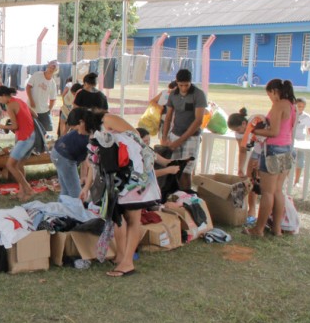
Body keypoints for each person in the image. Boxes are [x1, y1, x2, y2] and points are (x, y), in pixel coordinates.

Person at [80, 113, 160, 277]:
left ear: (82, 121)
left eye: (76, 127)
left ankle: (127, 262)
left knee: (133, 219)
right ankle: (122, 257)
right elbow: (94, 164)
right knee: (119, 217)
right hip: (121, 178)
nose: (77, 131)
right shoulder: (96, 133)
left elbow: (135, 135)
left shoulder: (107, 119)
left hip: (134, 175)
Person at [245, 79, 296, 237]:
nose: (270, 99)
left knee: (267, 192)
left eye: (269, 95)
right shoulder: (292, 105)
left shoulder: (278, 105)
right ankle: (276, 229)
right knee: (278, 191)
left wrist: (254, 131)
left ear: (274, 91)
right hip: (287, 149)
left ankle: (258, 229)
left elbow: (274, 132)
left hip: (273, 150)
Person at [160, 69, 206, 190]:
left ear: (191, 82)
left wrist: (179, 141)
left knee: (186, 171)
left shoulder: (199, 94)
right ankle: (174, 196)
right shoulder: (173, 94)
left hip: (192, 137)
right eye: (181, 85)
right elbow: (168, 117)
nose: (184, 88)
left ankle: (187, 197)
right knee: (173, 169)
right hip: (174, 134)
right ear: (177, 82)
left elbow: (198, 121)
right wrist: (164, 138)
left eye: (186, 85)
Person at [0, 86, 37, 201]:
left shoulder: (10, 105)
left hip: (24, 137)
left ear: (4, 95)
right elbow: (35, 115)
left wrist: (2, 126)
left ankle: (28, 190)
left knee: (10, 165)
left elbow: (15, 126)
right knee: (19, 165)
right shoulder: (19, 100)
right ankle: (22, 192)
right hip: (31, 135)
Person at [50, 108, 100, 198]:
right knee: (75, 193)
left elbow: (87, 159)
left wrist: (84, 176)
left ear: (81, 122)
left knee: (66, 190)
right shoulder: (89, 130)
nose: (79, 132)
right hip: (63, 155)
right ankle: (73, 206)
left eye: (76, 129)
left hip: (57, 152)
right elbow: (89, 161)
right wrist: (84, 178)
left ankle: (63, 206)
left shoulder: (94, 134)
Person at [227, 109, 262, 224]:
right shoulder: (239, 133)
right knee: (251, 180)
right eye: (234, 131)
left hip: (264, 151)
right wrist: (240, 168)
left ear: (244, 123)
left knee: (258, 182)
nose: (237, 132)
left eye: (238, 129)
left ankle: (258, 212)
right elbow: (242, 151)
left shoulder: (256, 126)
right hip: (256, 152)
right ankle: (251, 210)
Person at [25, 60, 59, 132]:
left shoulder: (53, 83)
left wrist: (49, 109)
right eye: (51, 66)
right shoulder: (37, 75)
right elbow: (28, 87)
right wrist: (31, 100)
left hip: (43, 110)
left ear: (56, 71)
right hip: (31, 108)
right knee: (29, 129)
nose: (51, 69)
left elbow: (53, 99)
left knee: (46, 129)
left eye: (54, 68)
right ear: (47, 66)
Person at [293, 97, 310, 186]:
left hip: (301, 142)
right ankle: (288, 179)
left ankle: (296, 181)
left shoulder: (307, 117)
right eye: (298, 106)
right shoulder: (291, 115)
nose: (300, 108)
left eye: (302, 106)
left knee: (300, 162)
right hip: (291, 141)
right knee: (290, 160)